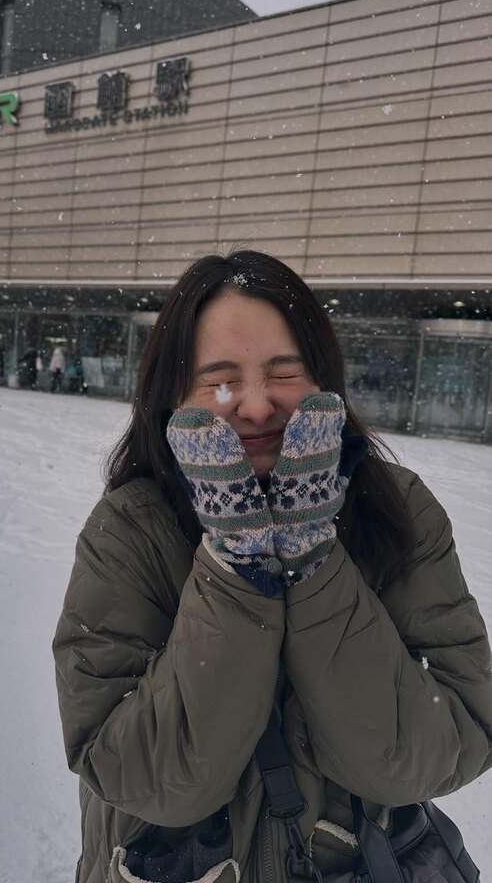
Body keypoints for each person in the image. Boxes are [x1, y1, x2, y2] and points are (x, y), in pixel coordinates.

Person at [52, 250, 492, 883]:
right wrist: (236, 564)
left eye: (284, 372)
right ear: (172, 397)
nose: (256, 406)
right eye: (219, 379)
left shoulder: (402, 512)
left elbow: (439, 749)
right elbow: (144, 777)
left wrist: (314, 557)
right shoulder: (129, 530)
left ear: (323, 383)